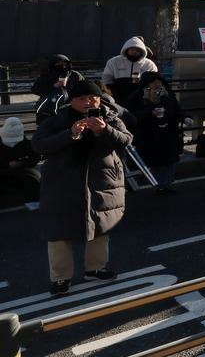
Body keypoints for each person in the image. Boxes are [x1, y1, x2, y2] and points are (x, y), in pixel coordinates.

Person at [33, 80, 130, 295]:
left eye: (92, 98)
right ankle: (60, 278)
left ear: (99, 97)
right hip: (62, 182)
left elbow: (125, 140)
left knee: (100, 227)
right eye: (81, 99)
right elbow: (39, 144)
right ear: (72, 101)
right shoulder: (57, 119)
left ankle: (95, 268)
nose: (88, 102)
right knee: (59, 232)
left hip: (102, 181)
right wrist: (70, 134)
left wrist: (104, 131)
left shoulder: (110, 116)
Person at [129, 74, 185, 193]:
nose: (157, 84)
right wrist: (150, 113)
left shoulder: (167, 95)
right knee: (157, 159)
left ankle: (165, 183)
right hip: (150, 133)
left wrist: (185, 118)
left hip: (168, 131)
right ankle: (160, 184)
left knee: (169, 158)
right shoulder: (138, 97)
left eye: (159, 82)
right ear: (146, 84)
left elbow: (177, 110)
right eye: (153, 82)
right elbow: (131, 114)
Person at [100, 36, 158, 105]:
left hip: (141, 99)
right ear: (126, 49)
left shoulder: (149, 64)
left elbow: (154, 81)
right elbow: (106, 79)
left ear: (142, 50)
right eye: (132, 49)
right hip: (118, 98)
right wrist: (112, 92)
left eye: (137, 50)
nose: (134, 52)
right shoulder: (114, 62)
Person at [0, 116, 41, 209]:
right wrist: (6, 164)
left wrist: (21, 163)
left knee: (34, 178)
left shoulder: (27, 144)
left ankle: (33, 201)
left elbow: (35, 158)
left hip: (20, 171)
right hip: (2, 171)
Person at [33, 54, 84, 121]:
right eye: (58, 64)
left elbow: (84, 88)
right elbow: (35, 89)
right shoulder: (47, 75)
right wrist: (54, 86)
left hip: (71, 108)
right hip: (49, 110)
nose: (62, 66)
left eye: (64, 64)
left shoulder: (75, 75)